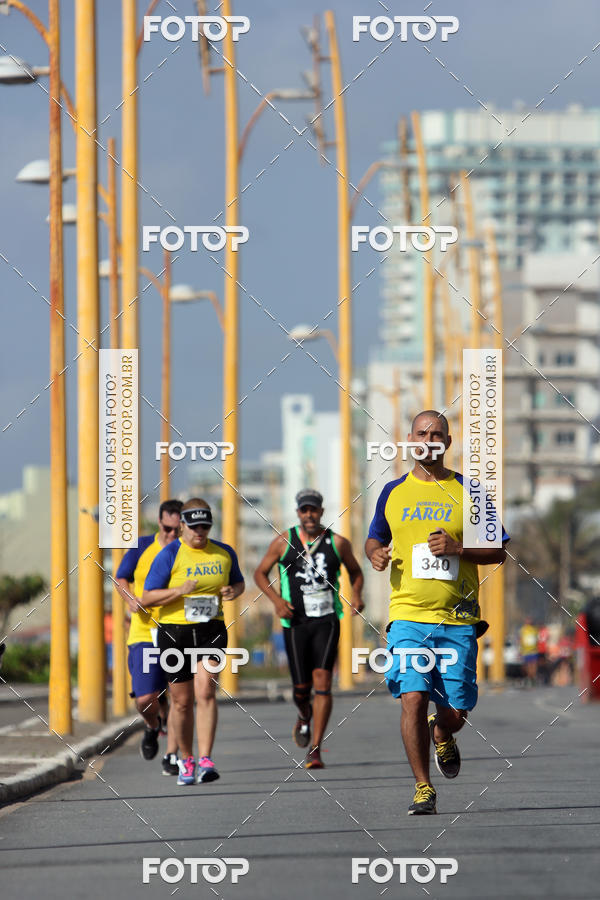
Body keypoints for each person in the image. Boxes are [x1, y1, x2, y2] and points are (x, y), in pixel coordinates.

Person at [365, 410, 509, 815]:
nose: (429, 439)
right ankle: (423, 787)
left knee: (456, 709)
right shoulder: (392, 492)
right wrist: (374, 553)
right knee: (412, 697)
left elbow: (499, 550)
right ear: (410, 439)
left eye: (437, 434)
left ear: (447, 442)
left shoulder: (471, 492)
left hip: (457, 618)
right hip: (407, 615)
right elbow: (375, 538)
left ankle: (443, 731)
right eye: (421, 433)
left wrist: (460, 549)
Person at [254, 489, 364, 769]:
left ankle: (315, 749)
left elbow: (356, 571)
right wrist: (277, 601)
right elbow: (259, 573)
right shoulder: (283, 542)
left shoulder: (338, 543)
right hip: (295, 622)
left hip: (327, 620)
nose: (309, 515)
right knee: (301, 688)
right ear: (298, 513)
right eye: (304, 510)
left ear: (322, 512)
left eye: (314, 510)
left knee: (323, 681)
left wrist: (358, 595)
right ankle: (303, 715)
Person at [141, 498, 245, 786]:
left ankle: (206, 759)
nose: (200, 531)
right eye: (195, 526)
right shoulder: (170, 554)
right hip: (175, 632)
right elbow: (147, 597)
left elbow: (239, 582)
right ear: (183, 526)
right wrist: (178, 591)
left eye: (205, 526)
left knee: (206, 689)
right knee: (182, 702)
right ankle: (186, 759)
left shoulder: (224, 553)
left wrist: (232, 591)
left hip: (211, 628)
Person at [115, 499, 182, 774]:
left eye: (178, 530)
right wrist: (130, 600)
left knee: (181, 699)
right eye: (168, 528)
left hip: (179, 631)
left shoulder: (188, 550)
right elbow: (121, 578)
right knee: (145, 699)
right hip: (144, 632)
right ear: (159, 522)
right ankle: (153, 726)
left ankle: (173, 756)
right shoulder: (141, 547)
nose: (172, 535)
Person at [519, 617, 539, 684]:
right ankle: (530, 678)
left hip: (533, 650)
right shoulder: (523, 630)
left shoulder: (534, 629)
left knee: (533, 665)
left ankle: (533, 678)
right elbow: (521, 640)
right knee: (528, 666)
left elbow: (537, 640)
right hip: (526, 651)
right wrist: (521, 650)